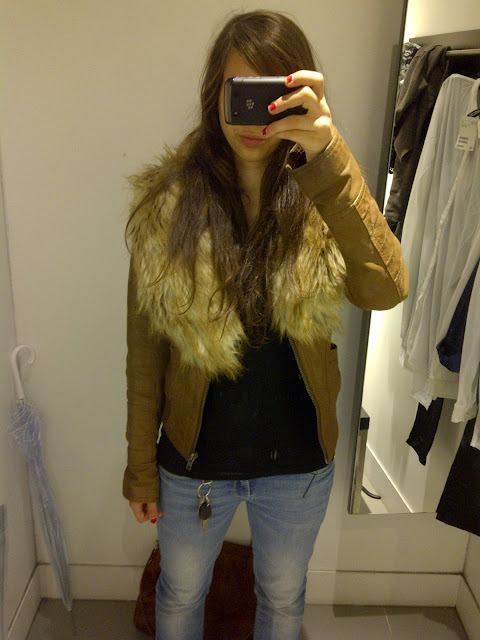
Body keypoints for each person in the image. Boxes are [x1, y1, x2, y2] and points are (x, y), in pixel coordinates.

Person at [122, 10, 408, 640]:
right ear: (214, 95)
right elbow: (145, 355)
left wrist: (328, 157)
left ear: (299, 96)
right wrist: (140, 464)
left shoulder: (323, 195)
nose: (256, 118)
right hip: (194, 461)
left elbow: (386, 289)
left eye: (272, 95)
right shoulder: (169, 207)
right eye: (241, 93)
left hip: (299, 464)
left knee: (282, 598)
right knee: (180, 593)